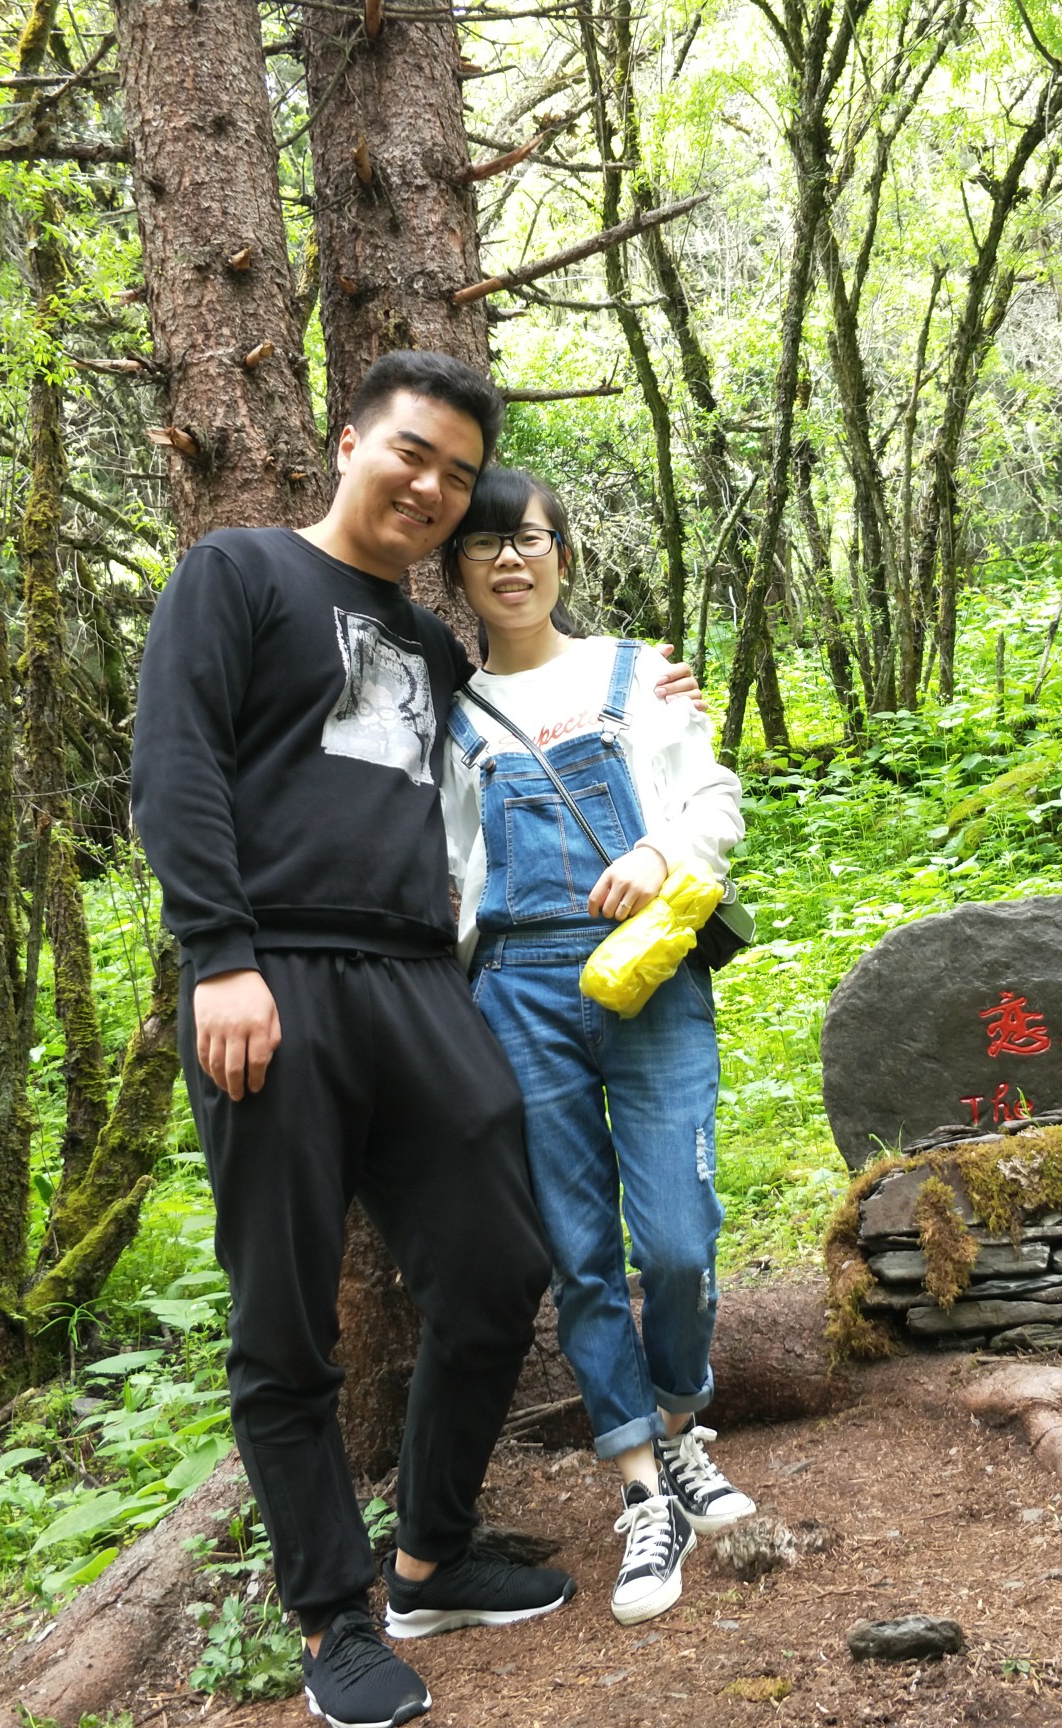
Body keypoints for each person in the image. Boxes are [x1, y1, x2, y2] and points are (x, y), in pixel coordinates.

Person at [132, 352, 698, 1728]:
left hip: (419, 984)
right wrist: (221, 954)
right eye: (411, 453)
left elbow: (544, 704)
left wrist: (651, 695)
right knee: (285, 1316)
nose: (432, 486)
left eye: (456, 472)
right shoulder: (241, 575)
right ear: (348, 443)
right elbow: (177, 758)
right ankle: (334, 1624)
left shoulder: (435, 648)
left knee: (501, 1269)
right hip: (274, 975)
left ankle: (430, 1558)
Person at [441, 468, 756, 1629]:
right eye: (484, 548)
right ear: (460, 571)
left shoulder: (635, 673)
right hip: (520, 991)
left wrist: (664, 855)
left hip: (653, 978)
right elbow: (451, 871)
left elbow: (715, 801)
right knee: (579, 1252)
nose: (510, 562)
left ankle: (679, 1422)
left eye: (527, 540)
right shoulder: (457, 712)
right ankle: (642, 1488)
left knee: (678, 1238)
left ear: (563, 554)